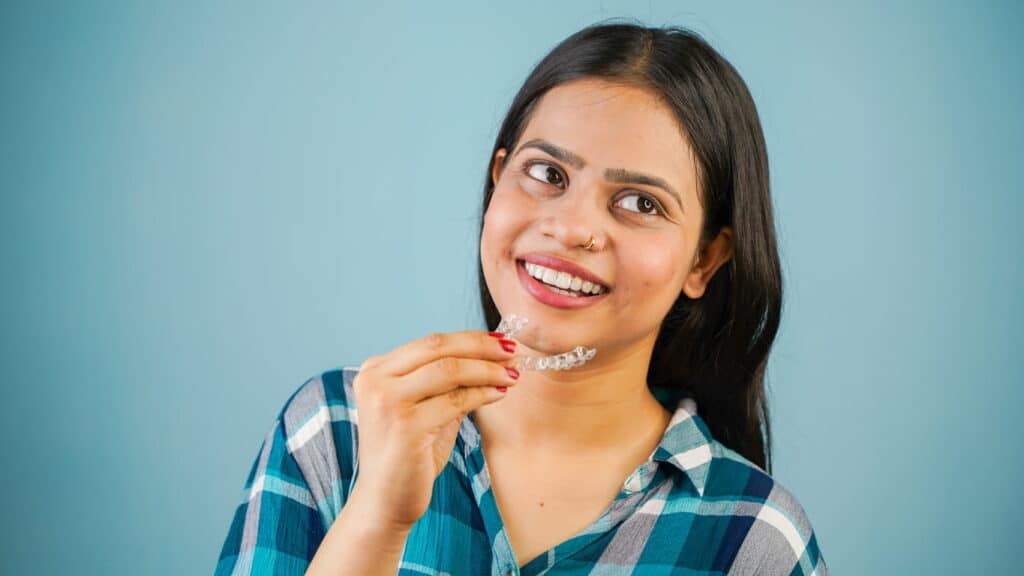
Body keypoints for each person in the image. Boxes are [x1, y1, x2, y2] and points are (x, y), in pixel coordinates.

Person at [215, 21, 829, 576]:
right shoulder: (333, 431)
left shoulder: (758, 540)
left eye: (641, 203)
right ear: (497, 178)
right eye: (548, 175)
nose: (570, 228)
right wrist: (376, 516)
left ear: (705, 259)